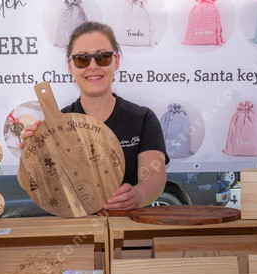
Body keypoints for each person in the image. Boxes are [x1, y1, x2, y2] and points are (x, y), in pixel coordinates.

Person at [20, 21, 168, 211]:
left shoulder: (142, 119)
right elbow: (37, 185)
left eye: (102, 57)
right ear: (70, 66)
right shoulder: (55, 127)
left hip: (128, 224)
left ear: (116, 61)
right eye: (82, 59)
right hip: (73, 226)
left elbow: (155, 173)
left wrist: (139, 195)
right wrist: (30, 156)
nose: (93, 66)